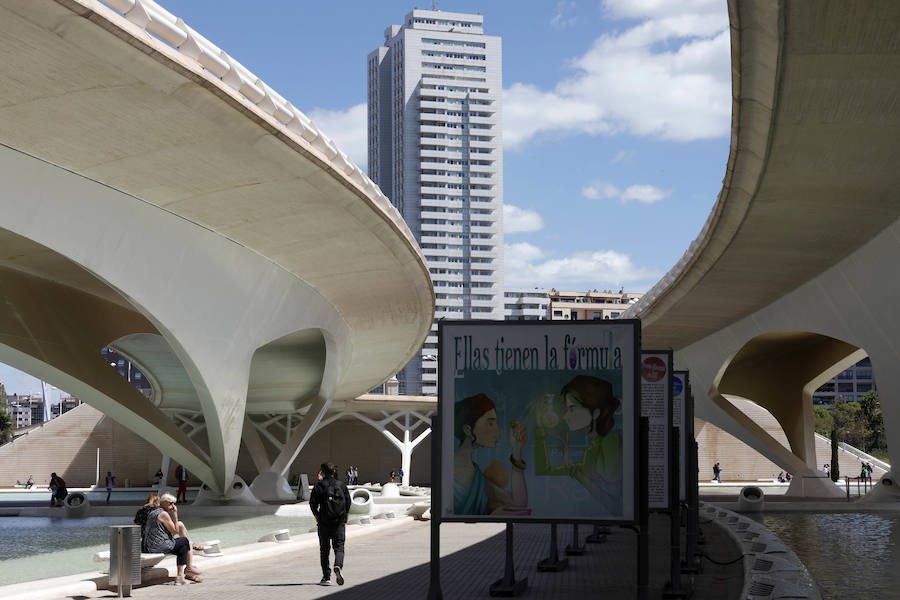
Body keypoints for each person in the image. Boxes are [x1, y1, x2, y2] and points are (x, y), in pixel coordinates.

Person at [535, 376, 621, 515]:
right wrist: (539, 422)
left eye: (572, 409)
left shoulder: (611, 443)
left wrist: (576, 473)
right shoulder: (593, 451)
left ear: (595, 413)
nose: (565, 416)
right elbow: (544, 471)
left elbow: (614, 504)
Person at [454, 393, 528, 516]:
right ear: (468, 430)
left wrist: (517, 451)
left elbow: (518, 501)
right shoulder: (449, 469)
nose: (497, 433)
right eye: (490, 423)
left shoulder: (477, 476)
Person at [142, 492, 203, 584]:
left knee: (184, 544)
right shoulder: (163, 514)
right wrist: (175, 514)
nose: (173, 505)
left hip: (150, 546)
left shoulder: (153, 512)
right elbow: (175, 531)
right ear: (165, 502)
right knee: (184, 541)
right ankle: (186, 571)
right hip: (158, 546)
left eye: (174, 503)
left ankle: (183, 574)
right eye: (171, 503)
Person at [310, 462, 350, 586]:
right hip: (339, 522)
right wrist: (345, 518)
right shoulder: (341, 485)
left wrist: (317, 516)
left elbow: (312, 503)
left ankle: (326, 577)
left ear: (322, 472)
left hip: (324, 522)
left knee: (324, 550)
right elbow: (348, 502)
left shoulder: (319, 486)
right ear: (334, 472)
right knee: (339, 547)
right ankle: (338, 565)